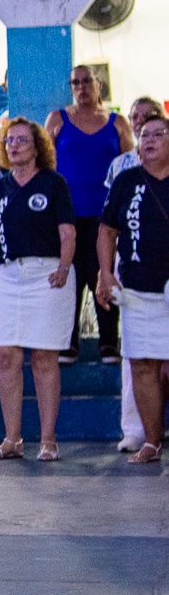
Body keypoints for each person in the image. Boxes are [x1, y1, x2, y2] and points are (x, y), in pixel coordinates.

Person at [0, 118, 76, 462]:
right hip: (7, 276)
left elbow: (68, 232)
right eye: (9, 141)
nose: (14, 146)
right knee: (6, 355)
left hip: (46, 274)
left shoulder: (53, 183)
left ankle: (48, 440)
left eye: (22, 140)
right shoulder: (2, 187)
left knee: (44, 358)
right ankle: (12, 439)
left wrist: (64, 266)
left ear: (37, 147)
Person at [47, 65, 132, 363]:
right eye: (75, 83)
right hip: (67, 216)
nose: (81, 87)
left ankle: (108, 342)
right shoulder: (57, 119)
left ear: (99, 85)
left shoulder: (117, 122)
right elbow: (46, 165)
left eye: (86, 81)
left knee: (103, 273)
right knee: (69, 275)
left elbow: (130, 167)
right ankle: (67, 342)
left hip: (106, 218)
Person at [98, 115, 169, 463]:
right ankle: (151, 442)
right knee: (141, 365)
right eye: (144, 135)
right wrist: (105, 273)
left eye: (158, 134)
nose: (149, 140)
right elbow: (107, 230)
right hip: (137, 288)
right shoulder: (126, 181)